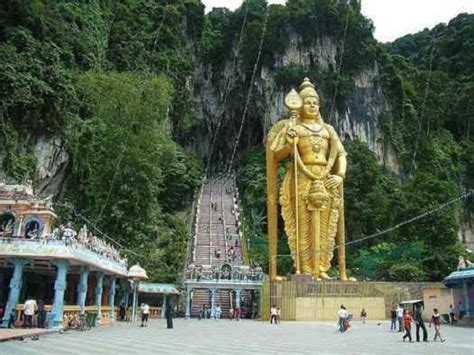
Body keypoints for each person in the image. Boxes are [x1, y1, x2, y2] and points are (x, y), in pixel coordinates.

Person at [267, 78, 350, 280]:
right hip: (301, 177)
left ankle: (322, 267)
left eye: (315, 102)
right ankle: (304, 267)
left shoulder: (328, 130)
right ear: (299, 105)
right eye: (307, 102)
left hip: (326, 178)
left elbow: (341, 155)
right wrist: (290, 141)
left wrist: (340, 175)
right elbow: (274, 155)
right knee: (302, 225)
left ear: (319, 106)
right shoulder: (293, 127)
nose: (312, 105)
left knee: (326, 224)